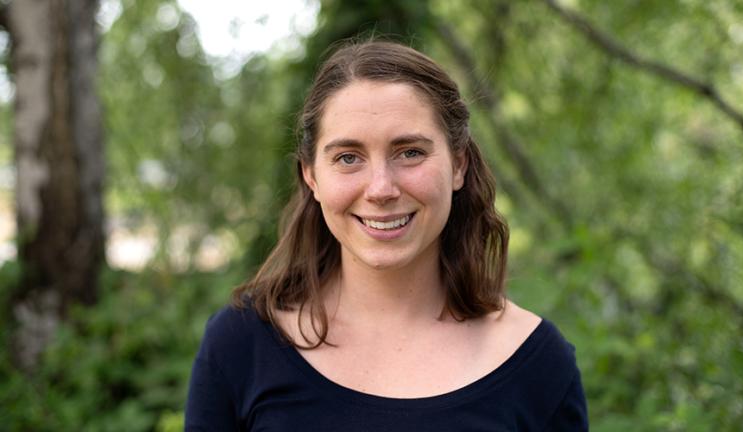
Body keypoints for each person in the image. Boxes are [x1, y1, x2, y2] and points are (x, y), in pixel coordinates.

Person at [185, 40, 588, 431]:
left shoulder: (538, 363)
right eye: (348, 158)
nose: (381, 189)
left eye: (410, 152)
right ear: (311, 176)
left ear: (458, 165)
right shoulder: (241, 345)